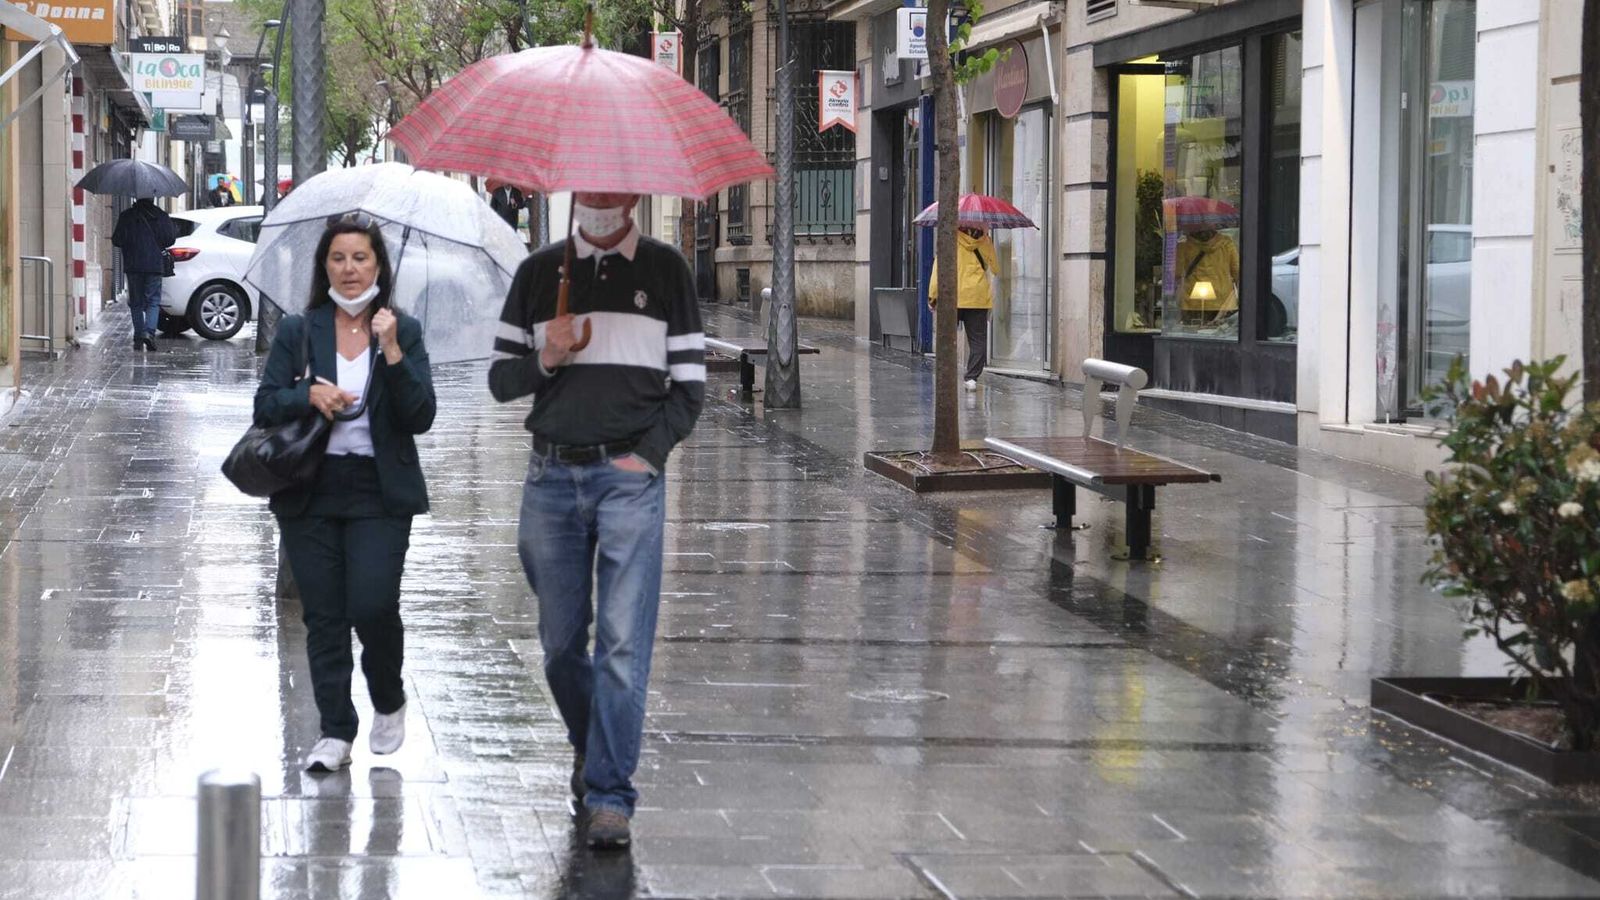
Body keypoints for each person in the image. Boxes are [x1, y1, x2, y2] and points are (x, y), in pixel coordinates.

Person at [489, 193, 705, 850]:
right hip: (550, 479)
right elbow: (501, 381)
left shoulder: (668, 272)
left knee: (619, 643)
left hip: (628, 481)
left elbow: (689, 388)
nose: (604, 201)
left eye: (617, 189)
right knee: (559, 647)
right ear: (577, 192)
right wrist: (548, 356)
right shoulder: (537, 275)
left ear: (636, 194)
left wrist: (648, 456)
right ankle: (594, 746)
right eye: (593, 188)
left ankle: (610, 792)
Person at [253, 213, 436, 774]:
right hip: (312, 487)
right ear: (324, 265)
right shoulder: (298, 330)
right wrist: (308, 393)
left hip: (380, 490)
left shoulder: (399, 330)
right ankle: (335, 729)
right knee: (325, 615)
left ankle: (388, 696)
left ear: (378, 263)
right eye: (338, 258)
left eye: (360, 258)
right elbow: (264, 404)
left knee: (373, 604)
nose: (349, 269)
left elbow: (420, 415)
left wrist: (394, 353)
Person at [928, 225, 999, 390]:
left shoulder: (949, 240)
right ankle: (971, 378)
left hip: (952, 297)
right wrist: (987, 241)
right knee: (978, 340)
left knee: (946, 338)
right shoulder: (985, 241)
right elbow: (995, 268)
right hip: (978, 298)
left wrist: (933, 296)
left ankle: (946, 374)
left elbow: (938, 270)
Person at [110, 197, 177, 352]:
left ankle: (139, 336)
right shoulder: (161, 215)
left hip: (133, 265)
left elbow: (116, 240)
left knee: (136, 302)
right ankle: (150, 333)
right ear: (153, 198)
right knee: (153, 300)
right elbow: (170, 239)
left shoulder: (126, 216)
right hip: (154, 265)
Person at [1175, 227, 1240, 324]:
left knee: (1192, 331)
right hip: (1222, 302)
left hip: (1193, 301)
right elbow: (1237, 272)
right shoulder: (1227, 243)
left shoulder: (1183, 246)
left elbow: (1177, 273)